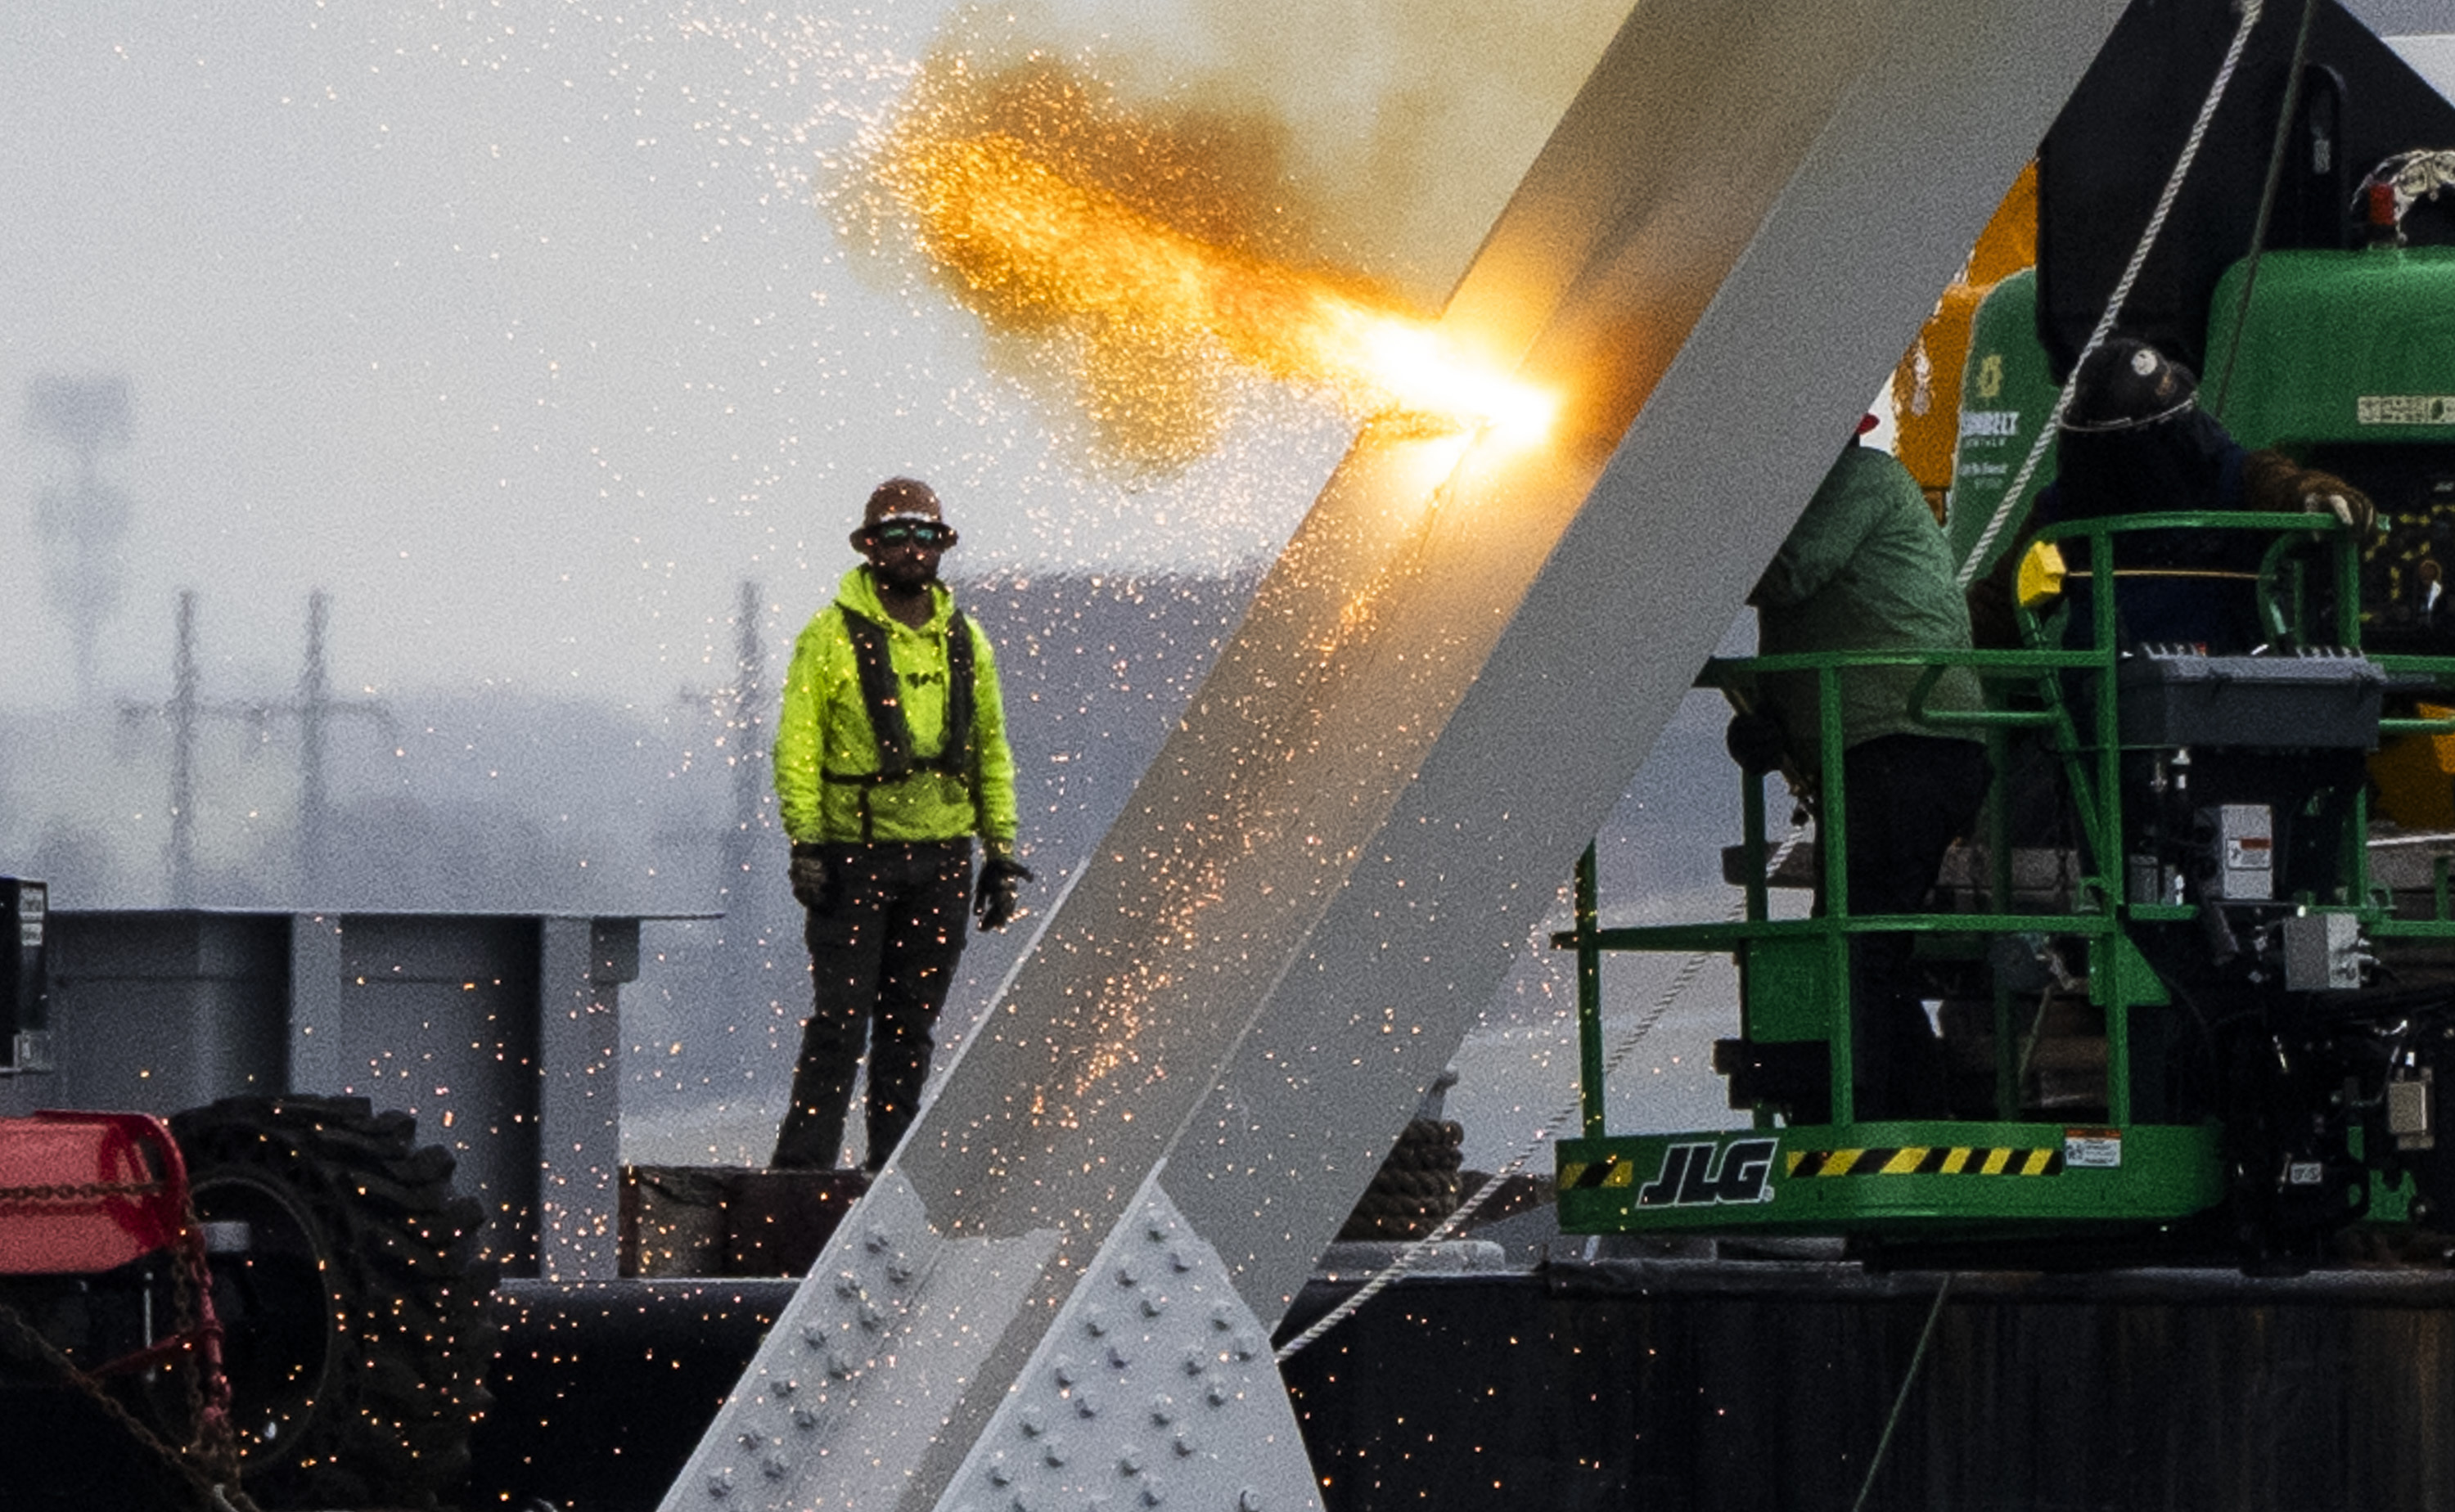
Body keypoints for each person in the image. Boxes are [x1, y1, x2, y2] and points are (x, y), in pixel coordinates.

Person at [769, 477, 1029, 1172]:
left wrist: (999, 852)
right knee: (839, 1024)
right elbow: (798, 745)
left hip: (942, 861)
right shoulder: (827, 639)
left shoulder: (965, 640)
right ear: (868, 546)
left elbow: (991, 747)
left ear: (941, 547)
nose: (911, 549)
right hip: (855, 857)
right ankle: (802, 1176)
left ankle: (893, 1173)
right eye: (896, 535)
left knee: (911, 1028)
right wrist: (808, 843)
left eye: (925, 536)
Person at [1730, 430, 1990, 1120]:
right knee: (1857, 947)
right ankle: (1880, 1115)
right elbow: (1818, 625)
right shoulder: (1813, 495)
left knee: (1860, 951)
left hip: (1909, 743)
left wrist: (1683, 535)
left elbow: (1787, 571)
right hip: (1888, 748)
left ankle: (1880, 1117)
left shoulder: (1858, 478)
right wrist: (1768, 722)